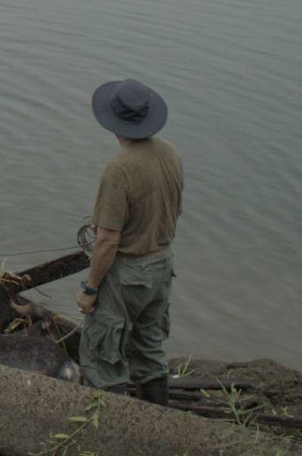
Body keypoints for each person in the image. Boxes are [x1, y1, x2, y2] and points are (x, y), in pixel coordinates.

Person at [74, 79, 184, 405]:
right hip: (161, 267)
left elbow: (107, 241)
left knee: (102, 356)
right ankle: (157, 420)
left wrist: (90, 289)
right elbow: (174, 209)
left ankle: (109, 431)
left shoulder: (118, 168)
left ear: (113, 122)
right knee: (149, 348)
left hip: (127, 275)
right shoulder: (170, 153)